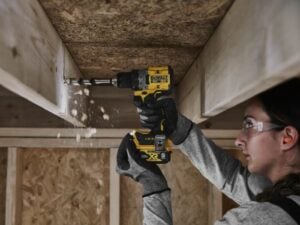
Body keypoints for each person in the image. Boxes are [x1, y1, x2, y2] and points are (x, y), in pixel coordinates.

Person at [116, 78, 300, 225]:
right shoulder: (288, 199)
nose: (238, 140)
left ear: (287, 137)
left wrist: (153, 186)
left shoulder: (260, 218)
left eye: (249, 124)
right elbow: (231, 179)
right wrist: (177, 128)